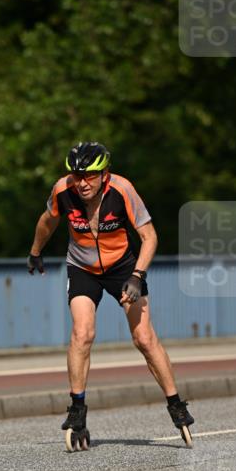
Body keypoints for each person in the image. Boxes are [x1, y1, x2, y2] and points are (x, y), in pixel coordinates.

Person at [27, 141, 194, 445]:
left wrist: (136, 275)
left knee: (144, 338)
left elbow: (150, 236)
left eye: (90, 175)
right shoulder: (63, 191)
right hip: (83, 268)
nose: (82, 182)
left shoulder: (123, 190)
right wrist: (35, 251)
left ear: (105, 174)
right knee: (82, 333)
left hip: (123, 268)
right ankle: (77, 410)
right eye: (77, 175)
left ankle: (176, 404)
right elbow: (48, 220)